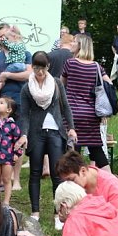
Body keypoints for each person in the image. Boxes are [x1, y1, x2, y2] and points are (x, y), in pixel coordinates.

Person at [20, 51, 76, 224]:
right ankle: (35, 212)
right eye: (36, 68)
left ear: (48, 67)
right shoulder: (27, 87)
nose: (40, 72)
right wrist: (24, 134)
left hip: (55, 132)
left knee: (57, 173)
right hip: (36, 132)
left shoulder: (57, 83)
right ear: (32, 67)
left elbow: (65, 107)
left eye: (43, 68)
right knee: (35, 172)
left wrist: (71, 128)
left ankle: (58, 214)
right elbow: (24, 114)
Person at [0, 22, 32, 191]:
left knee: (18, 140)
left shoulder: (25, 53)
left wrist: (8, 74)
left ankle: (16, 179)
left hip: (20, 101)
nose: (2, 39)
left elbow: (29, 74)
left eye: (4, 35)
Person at [55, 149, 118, 236]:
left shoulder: (111, 183)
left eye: (72, 180)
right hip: (93, 235)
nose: (70, 185)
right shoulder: (75, 188)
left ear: (83, 171)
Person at [62, 34, 111, 172]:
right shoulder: (96, 66)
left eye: (74, 42)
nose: (71, 44)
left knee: (73, 149)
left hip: (73, 114)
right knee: (96, 149)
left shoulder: (70, 63)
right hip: (91, 114)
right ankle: (111, 180)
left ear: (80, 46)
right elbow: (109, 84)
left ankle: (76, 181)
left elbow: (61, 84)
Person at [0, 25, 28, 93]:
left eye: (6, 37)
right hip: (22, 65)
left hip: (16, 65)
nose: (3, 39)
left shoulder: (18, 46)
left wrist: (7, 75)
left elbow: (29, 75)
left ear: (14, 37)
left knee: (2, 76)